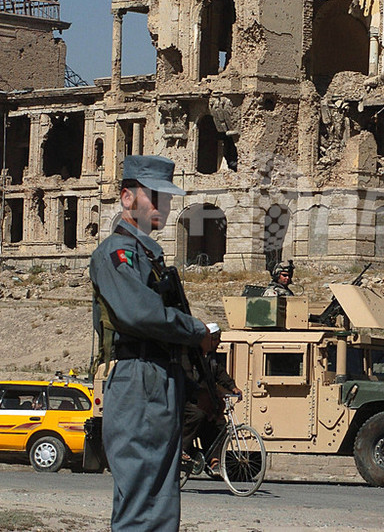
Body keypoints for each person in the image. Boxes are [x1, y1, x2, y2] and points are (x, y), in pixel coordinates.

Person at [89, 155, 211, 532]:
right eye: (154, 196)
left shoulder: (146, 255)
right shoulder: (117, 252)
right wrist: (196, 330)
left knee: (159, 496)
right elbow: (140, 314)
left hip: (159, 376)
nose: (164, 206)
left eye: (167, 198)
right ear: (128, 198)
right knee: (143, 495)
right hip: (138, 376)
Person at [182, 322, 242, 470]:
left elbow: (220, 374)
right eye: (216, 339)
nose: (219, 342)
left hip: (204, 401)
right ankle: (181, 448)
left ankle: (214, 458)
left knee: (220, 424)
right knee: (198, 415)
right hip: (188, 400)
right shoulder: (192, 355)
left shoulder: (212, 358)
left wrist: (232, 387)